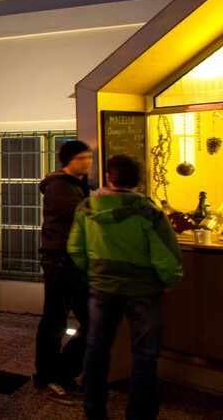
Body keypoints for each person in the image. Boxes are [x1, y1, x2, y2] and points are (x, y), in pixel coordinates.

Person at [68, 155, 182, 420]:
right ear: (141, 179)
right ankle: (139, 414)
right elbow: (167, 254)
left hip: (102, 288)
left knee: (96, 349)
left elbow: (75, 248)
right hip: (144, 291)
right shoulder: (149, 211)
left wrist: (93, 273)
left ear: (109, 177)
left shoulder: (87, 207)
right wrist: (169, 281)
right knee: (144, 354)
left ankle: (94, 410)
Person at [34, 140, 93, 405]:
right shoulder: (60, 187)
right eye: (81, 158)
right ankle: (46, 379)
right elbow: (86, 216)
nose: (87, 162)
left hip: (76, 260)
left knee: (91, 321)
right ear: (67, 160)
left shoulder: (78, 186)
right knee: (55, 322)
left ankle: (63, 373)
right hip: (61, 260)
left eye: (89, 157)